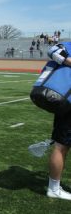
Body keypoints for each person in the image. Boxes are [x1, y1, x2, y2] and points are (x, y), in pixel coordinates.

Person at [47, 42, 71, 200]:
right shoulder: (68, 45)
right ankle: (54, 188)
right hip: (69, 103)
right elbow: (53, 50)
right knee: (61, 146)